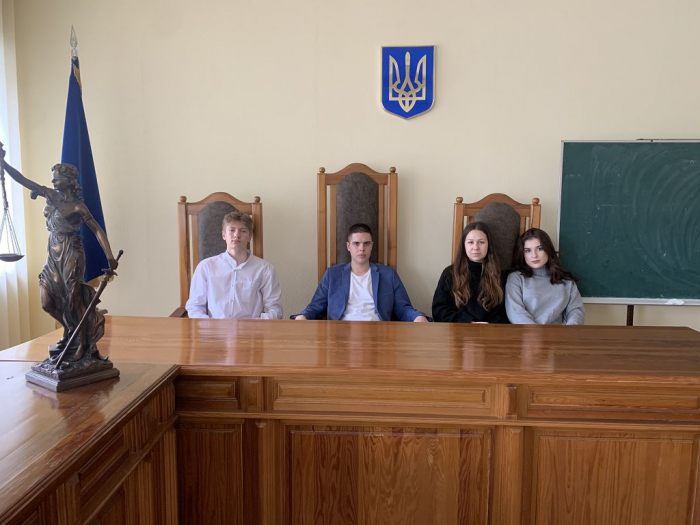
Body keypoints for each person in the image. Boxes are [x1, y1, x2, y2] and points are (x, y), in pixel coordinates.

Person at [0, 144, 118, 362]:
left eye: (58, 178)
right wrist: (3, 163)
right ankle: (70, 330)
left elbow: (97, 230)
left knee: (74, 299)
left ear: (70, 181)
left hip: (71, 252)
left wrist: (109, 256)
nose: (53, 181)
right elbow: (24, 180)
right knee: (47, 302)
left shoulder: (78, 206)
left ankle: (84, 343)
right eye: (53, 178)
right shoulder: (51, 195)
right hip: (53, 254)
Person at [294, 223, 428, 322]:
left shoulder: (389, 274)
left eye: (366, 243)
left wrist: (418, 317)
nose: (361, 248)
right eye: (356, 243)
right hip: (340, 334)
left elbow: (403, 308)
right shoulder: (332, 274)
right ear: (348, 246)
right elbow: (316, 307)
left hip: (379, 333)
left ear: (372, 246)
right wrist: (303, 316)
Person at [185, 211, 282, 319]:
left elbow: (276, 310)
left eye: (243, 231)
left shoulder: (265, 269)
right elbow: (195, 307)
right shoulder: (206, 267)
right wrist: (209, 325)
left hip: (251, 328)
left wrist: (254, 324)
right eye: (232, 230)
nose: (236, 235)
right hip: (214, 328)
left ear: (249, 236)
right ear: (224, 235)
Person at [432, 221, 508, 323]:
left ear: (488, 245)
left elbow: (505, 312)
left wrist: (488, 326)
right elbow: (439, 310)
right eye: (470, 242)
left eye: (481, 242)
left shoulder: (500, 275)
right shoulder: (450, 274)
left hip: (491, 329)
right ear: (464, 245)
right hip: (458, 329)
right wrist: (468, 322)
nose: (475, 247)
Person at [505, 228, 584, 325]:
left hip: (560, 333)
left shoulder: (567, 281)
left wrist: (568, 331)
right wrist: (536, 332)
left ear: (548, 250)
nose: (534, 255)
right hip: (527, 332)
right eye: (528, 250)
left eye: (540, 249)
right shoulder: (516, 278)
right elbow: (515, 312)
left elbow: (576, 311)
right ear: (522, 254)